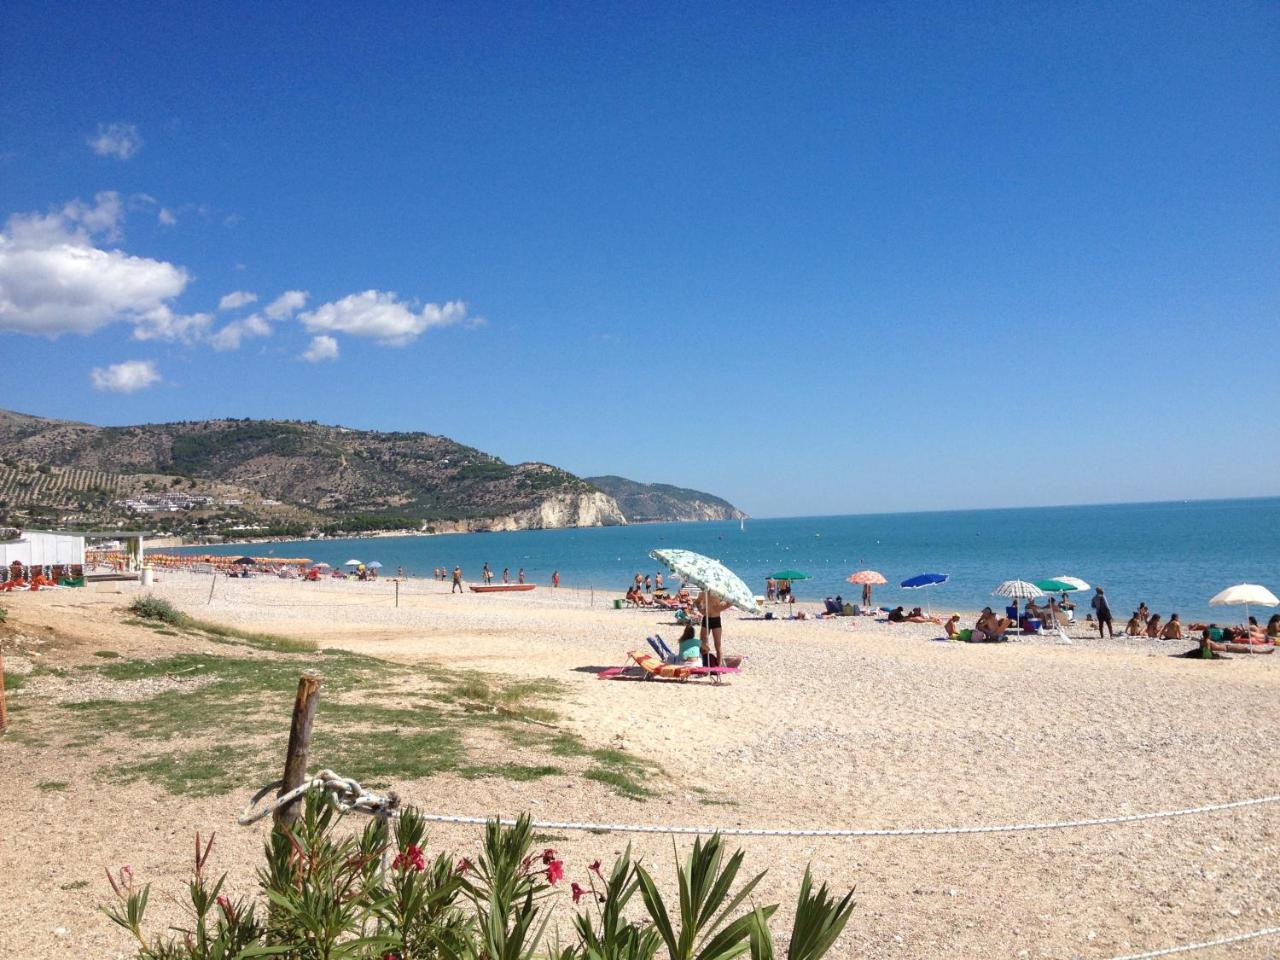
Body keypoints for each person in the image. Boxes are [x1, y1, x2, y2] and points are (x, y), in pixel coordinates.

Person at [696, 590, 731, 667]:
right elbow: (697, 602)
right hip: (706, 619)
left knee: (717, 644)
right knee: (703, 643)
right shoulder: (703, 592)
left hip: (716, 619)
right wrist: (701, 609)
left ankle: (719, 666)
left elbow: (730, 602)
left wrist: (721, 608)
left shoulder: (719, 593)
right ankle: (705, 665)